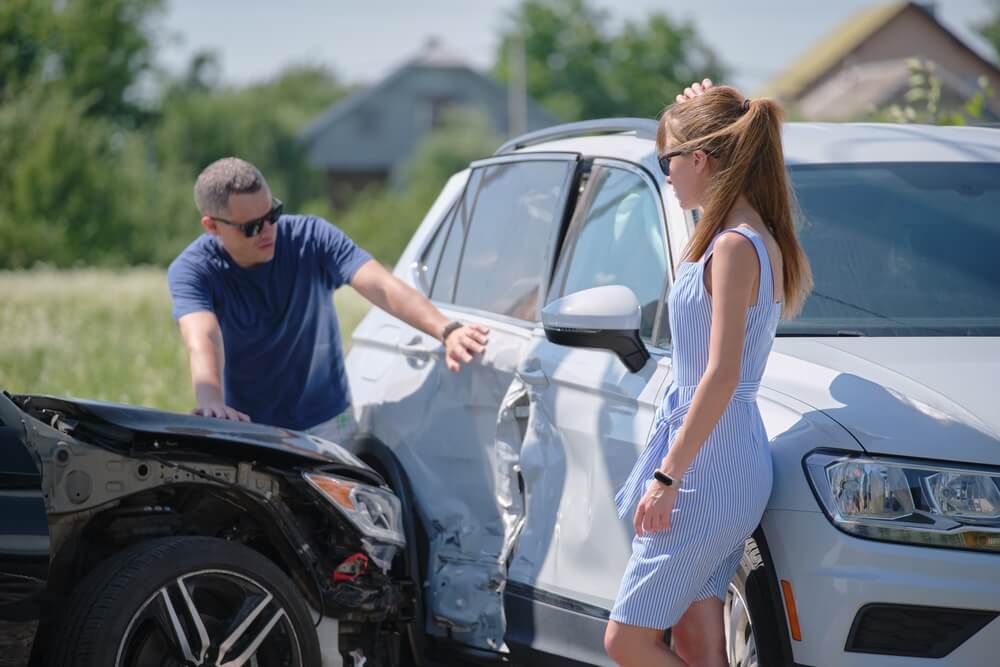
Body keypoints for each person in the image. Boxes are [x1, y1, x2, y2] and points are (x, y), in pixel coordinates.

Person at [603, 79, 813, 667]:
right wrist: (702, 105)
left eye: (667, 160)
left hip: (708, 470)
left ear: (699, 159)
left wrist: (667, 476)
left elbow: (721, 375)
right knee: (697, 643)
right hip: (720, 458)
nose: (666, 174)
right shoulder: (739, 237)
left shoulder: (735, 247)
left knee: (626, 641)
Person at [167, 157, 488, 441]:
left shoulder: (313, 238)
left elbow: (382, 286)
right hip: (248, 428)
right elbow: (203, 337)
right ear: (212, 226)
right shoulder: (193, 270)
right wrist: (211, 402)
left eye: (273, 214)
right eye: (251, 227)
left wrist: (446, 329)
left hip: (328, 421)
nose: (268, 231)